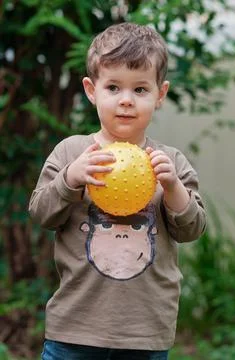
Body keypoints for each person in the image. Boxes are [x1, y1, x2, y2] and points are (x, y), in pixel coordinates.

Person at [29, 22, 206, 360]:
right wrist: (71, 178)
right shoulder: (71, 153)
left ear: (160, 95)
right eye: (113, 87)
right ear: (92, 89)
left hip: (145, 333)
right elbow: (41, 213)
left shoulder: (171, 163)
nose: (126, 101)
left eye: (140, 90)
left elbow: (192, 229)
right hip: (75, 328)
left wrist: (172, 188)